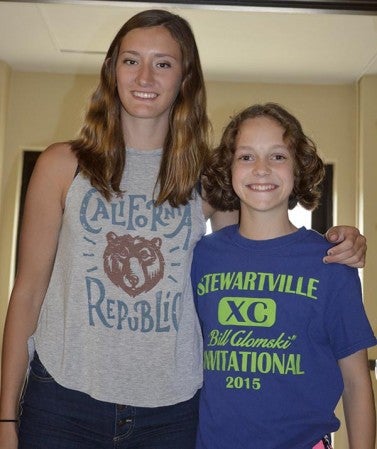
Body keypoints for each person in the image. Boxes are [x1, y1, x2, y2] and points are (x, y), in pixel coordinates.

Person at [0, 9, 367, 449]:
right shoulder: (62, 166)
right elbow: (27, 292)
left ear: (184, 78)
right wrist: (5, 417)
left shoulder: (207, 176)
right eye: (131, 60)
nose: (145, 77)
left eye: (164, 63)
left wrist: (339, 241)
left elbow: (254, 253)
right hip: (62, 404)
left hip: (171, 414)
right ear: (112, 70)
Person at [191, 102, 376, 449]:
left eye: (277, 156)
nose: (261, 169)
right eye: (246, 157)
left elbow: (355, 381)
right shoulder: (201, 257)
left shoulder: (331, 263)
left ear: (298, 168)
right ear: (228, 169)